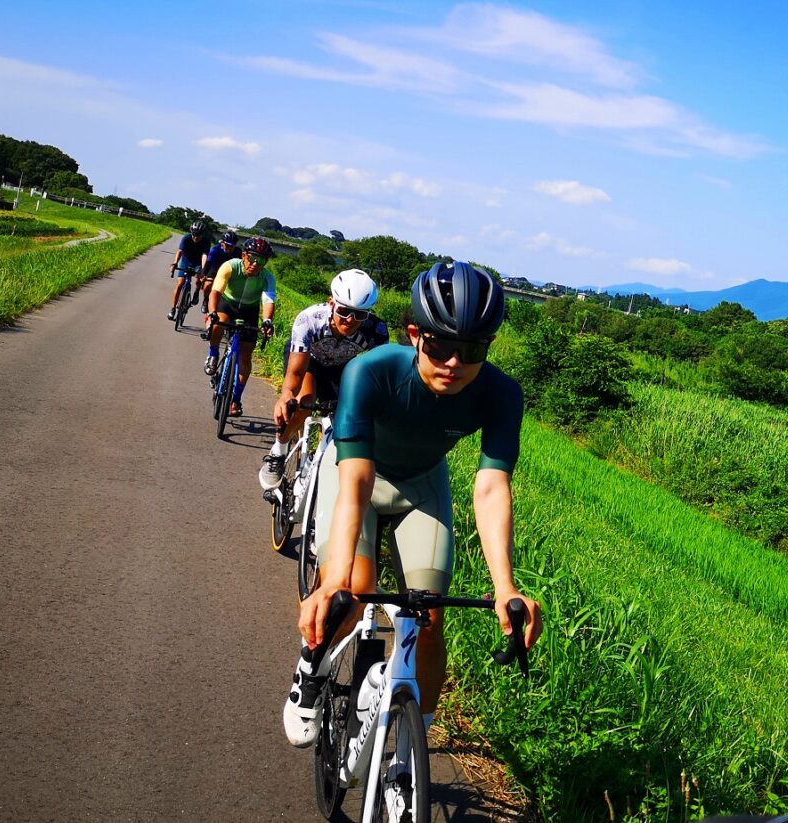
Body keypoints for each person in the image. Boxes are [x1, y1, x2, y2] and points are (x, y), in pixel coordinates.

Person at [283, 260, 543, 748]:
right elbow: (356, 482)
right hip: (359, 472)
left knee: (430, 615)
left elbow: (490, 486)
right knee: (353, 591)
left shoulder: (502, 394)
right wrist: (334, 582)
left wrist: (506, 586)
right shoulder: (371, 371)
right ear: (414, 334)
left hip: (421, 485)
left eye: (472, 350)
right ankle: (310, 672)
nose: (454, 363)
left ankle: (412, 742)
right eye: (441, 346)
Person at [258, 268, 389, 490]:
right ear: (331, 303)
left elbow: (380, 374)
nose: (350, 320)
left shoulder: (376, 331)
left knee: (348, 424)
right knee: (304, 402)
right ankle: (278, 453)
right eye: (344, 311)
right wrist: (287, 395)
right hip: (309, 361)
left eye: (360, 314)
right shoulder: (309, 319)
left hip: (343, 367)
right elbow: (297, 372)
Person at [203, 237, 277, 419]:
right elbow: (216, 291)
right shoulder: (230, 266)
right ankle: (213, 354)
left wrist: (267, 321)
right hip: (227, 304)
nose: (256, 264)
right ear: (244, 255)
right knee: (218, 323)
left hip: (249, 311)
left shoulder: (267, 277)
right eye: (252, 258)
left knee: (245, 356)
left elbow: (268, 300)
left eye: (261, 260)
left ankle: (235, 399)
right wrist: (212, 312)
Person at [167, 221, 208, 319]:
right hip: (186, 261)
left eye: (199, 236)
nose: (196, 238)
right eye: (194, 235)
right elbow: (180, 251)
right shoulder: (186, 238)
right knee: (180, 284)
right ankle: (172, 309)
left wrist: (203, 269)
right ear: (191, 233)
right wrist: (175, 263)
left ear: (203, 234)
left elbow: (204, 255)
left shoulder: (206, 241)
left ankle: (197, 292)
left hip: (198, 262)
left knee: (199, 278)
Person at [199, 230, 241, 315]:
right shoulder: (215, 249)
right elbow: (208, 263)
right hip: (215, 269)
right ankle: (206, 300)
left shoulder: (238, 252)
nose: (230, 248)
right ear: (222, 243)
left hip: (229, 273)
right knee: (207, 285)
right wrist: (203, 274)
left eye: (232, 246)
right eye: (228, 245)